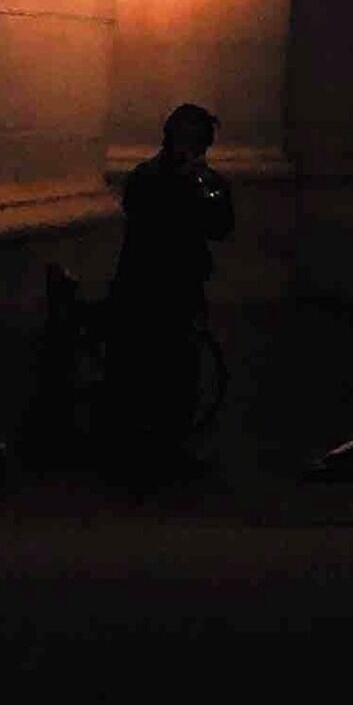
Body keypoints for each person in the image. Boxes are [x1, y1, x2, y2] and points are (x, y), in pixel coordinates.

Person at [101, 101, 233, 472]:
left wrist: (207, 190)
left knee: (180, 370)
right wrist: (184, 188)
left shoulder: (204, 181)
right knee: (143, 367)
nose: (196, 151)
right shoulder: (146, 178)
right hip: (146, 285)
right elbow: (148, 220)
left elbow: (221, 227)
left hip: (181, 286)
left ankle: (169, 445)